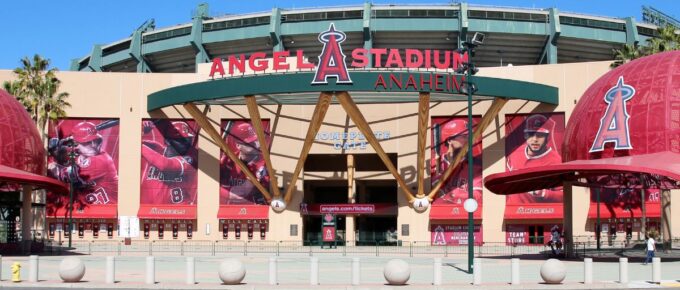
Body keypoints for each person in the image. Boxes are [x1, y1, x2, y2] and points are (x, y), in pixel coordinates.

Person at [48, 121, 119, 205]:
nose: (76, 147)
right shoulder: (83, 153)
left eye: (79, 143)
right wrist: (57, 148)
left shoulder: (102, 161)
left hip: (108, 209)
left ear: (93, 143)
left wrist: (53, 157)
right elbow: (65, 152)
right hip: (88, 207)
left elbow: (61, 174)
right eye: (75, 143)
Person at [506, 114, 562, 203]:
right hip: (512, 212)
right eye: (531, 134)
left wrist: (544, 193)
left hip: (536, 213)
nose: (535, 139)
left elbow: (565, 195)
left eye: (540, 135)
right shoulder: (514, 153)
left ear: (547, 137)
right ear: (525, 136)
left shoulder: (556, 161)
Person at [140, 121, 197, 205]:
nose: (186, 144)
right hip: (153, 211)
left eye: (188, 140)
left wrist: (139, 146)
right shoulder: (157, 148)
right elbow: (130, 143)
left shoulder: (189, 159)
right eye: (181, 140)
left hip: (180, 210)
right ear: (167, 141)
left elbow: (165, 165)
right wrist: (142, 131)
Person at [432, 119, 483, 204]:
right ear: (449, 140)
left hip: (464, 214)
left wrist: (449, 195)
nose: (468, 140)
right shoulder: (433, 165)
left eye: (469, 137)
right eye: (464, 136)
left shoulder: (475, 166)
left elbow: (476, 195)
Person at [220, 122, 268, 205]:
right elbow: (208, 183)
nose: (256, 145)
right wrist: (226, 193)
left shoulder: (263, 164)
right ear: (238, 145)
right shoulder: (228, 159)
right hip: (227, 212)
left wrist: (224, 192)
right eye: (250, 142)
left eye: (256, 140)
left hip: (254, 212)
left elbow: (240, 193)